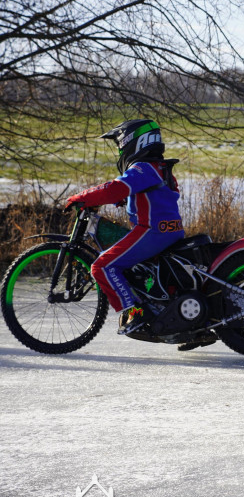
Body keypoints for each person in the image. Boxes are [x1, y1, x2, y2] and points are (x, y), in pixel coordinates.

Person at [65, 119, 184, 335]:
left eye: (120, 147)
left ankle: (136, 314)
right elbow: (158, 196)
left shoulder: (143, 167)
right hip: (169, 230)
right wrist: (128, 199)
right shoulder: (160, 168)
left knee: (102, 266)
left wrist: (81, 197)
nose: (120, 152)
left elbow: (115, 188)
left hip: (152, 231)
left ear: (132, 142)